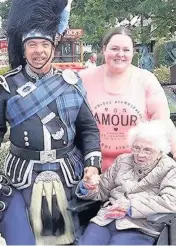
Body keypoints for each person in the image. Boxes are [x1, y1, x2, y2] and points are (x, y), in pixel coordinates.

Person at [0, 0, 101, 245]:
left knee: (71, 239)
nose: (38, 51)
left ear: (53, 47)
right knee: (24, 238)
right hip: (23, 174)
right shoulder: (7, 86)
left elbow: (88, 128)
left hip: (67, 173)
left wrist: (92, 166)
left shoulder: (71, 82)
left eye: (44, 44)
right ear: (23, 50)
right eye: (32, 44)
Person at [79, 27, 176, 172]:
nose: (120, 54)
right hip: (91, 166)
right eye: (114, 48)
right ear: (104, 49)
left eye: (126, 50)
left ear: (133, 52)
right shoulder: (83, 78)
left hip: (137, 169)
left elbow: (162, 120)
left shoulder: (146, 79)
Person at [76, 120, 176, 245]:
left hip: (140, 227)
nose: (140, 154)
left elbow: (171, 202)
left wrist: (130, 206)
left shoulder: (171, 168)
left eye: (148, 150)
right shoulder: (122, 160)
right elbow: (102, 190)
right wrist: (89, 186)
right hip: (106, 220)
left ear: (160, 151)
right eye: (136, 148)